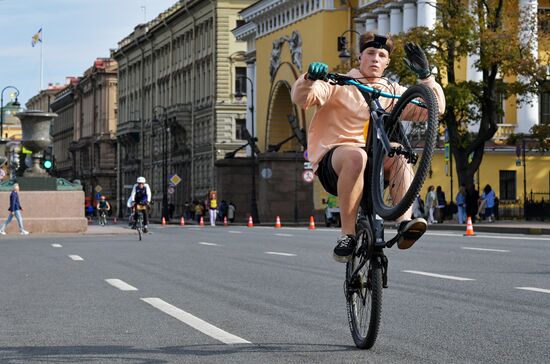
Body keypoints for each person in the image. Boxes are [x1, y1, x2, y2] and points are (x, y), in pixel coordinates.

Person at [291, 32, 445, 262]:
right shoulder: (337, 83)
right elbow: (302, 98)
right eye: (371, 53)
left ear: (387, 62)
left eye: (382, 55)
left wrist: (427, 77)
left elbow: (433, 109)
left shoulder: (391, 91)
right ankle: (347, 235)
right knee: (356, 156)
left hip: (375, 165)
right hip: (336, 163)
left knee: (399, 151)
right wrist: (310, 78)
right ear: (359, 56)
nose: (375, 58)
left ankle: (405, 224)